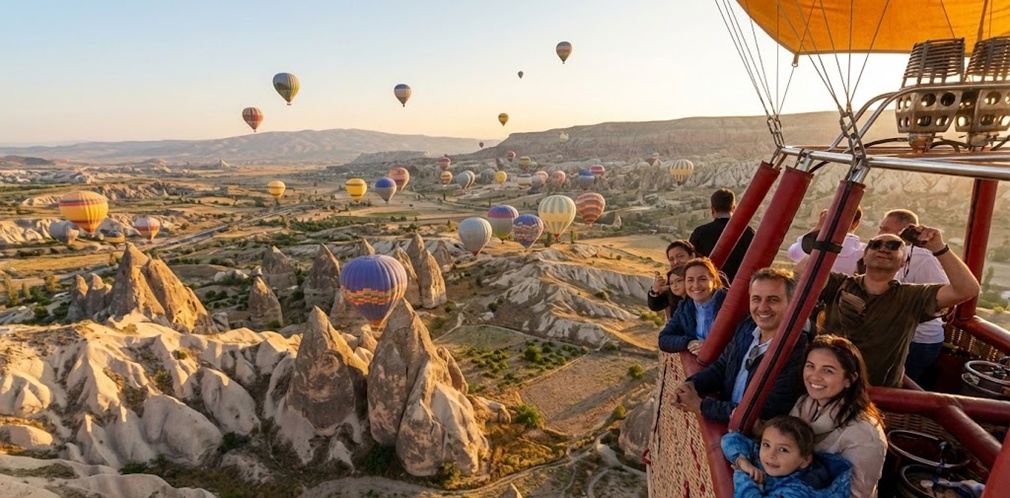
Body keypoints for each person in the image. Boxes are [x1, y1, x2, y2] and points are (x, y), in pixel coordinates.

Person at [795, 227, 979, 387]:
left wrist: (938, 247)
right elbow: (801, 274)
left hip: (875, 390)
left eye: (893, 246)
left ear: (904, 262)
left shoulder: (913, 297)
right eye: (875, 245)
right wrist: (830, 235)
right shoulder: (840, 284)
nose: (883, 249)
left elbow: (967, 289)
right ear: (864, 257)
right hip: (824, 382)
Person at [672, 268, 806, 423]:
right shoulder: (748, 327)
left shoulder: (796, 349)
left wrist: (702, 406)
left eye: (773, 300)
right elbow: (722, 367)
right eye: (756, 299)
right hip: (725, 425)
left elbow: (769, 410)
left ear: (791, 303)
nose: (762, 307)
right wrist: (691, 384)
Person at [792, 335, 886, 498]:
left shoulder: (864, 434)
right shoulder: (804, 404)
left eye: (827, 370)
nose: (814, 376)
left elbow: (856, 494)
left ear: (850, 379)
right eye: (810, 366)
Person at [876, 210, 950, 387]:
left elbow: (948, 293)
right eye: (880, 229)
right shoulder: (892, 255)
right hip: (900, 336)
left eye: (886, 229)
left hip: (918, 341)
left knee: (897, 390)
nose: (880, 234)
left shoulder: (923, 258)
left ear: (906, 231)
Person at [722, 415, 852, 498]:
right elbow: (731, 439)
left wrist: (742, 475)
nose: (771, 455)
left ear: (805, 460)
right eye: (766, 444)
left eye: (783, 450)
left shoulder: (801, 490)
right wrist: (743, 461)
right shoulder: (768, 459)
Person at [658, 258, 727, 354]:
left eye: (702, 279)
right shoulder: (685, 308)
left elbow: (739, 341)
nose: (696, 285)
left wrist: (710, 345)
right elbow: (663, 339)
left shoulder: (728, 305)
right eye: (690, 280)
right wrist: (689, 342)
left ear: (714, 280)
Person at [690, 188, 756, 281]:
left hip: (710, 287)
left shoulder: (700, 232)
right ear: (734, 208)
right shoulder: (748, 232)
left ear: (712, 210)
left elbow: (691, 261)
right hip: (741, 288)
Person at [787, 207, 864, 275]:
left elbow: (793, 253)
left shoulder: (814, 245)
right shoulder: (863, 252)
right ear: (856, 224)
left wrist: (819, 227)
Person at [648, 240, 697, 315]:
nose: (676, 262)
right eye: (671, 259)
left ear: (692, 256)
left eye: (680, 256)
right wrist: (656, 289)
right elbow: (655, 306)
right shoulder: (672, 282)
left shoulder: (704, 276)